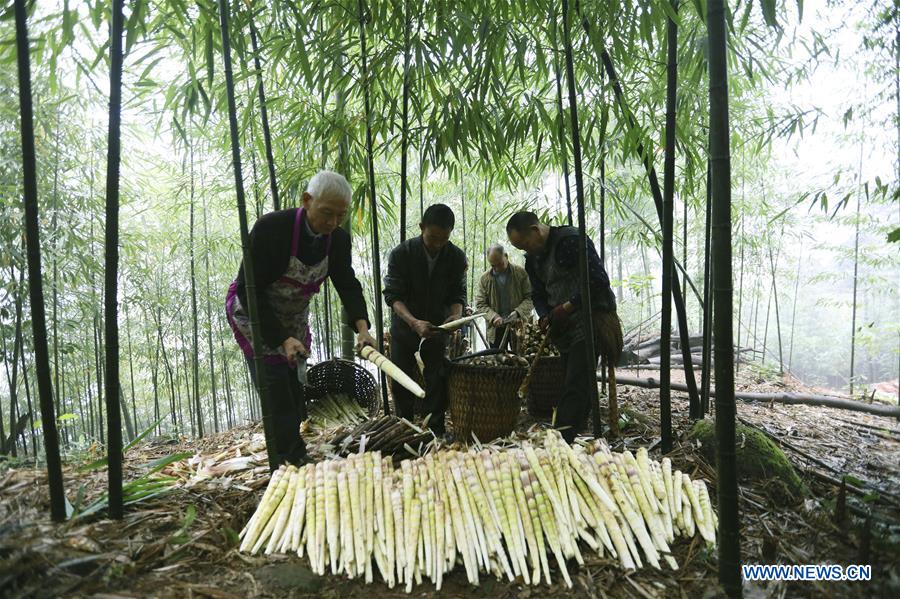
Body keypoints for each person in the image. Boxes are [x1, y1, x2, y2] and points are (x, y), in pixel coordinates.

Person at [225, 171, 376, 466]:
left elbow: (347, 283)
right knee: (275, 391)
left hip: (294, 317)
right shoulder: (272, 229)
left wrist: (363, 329)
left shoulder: (338, 240)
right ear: (307, 200)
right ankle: (288, 462)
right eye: (326, 213)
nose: (332, 222)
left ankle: (293, 447)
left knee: (295, 393)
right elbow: (248, 288)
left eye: (340, 215)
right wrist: (281, 338)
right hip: (255, 314)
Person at [506, 211, 622, 443]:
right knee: (576, 378)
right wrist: (546, 314)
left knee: (576, 380)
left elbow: (598, 280)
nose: (526, 251)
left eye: (525, 244)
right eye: (521, 249)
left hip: (591, 319)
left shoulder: (570, 241)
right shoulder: (533, 260)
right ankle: (576, 433)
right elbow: (538, 294)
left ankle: (560, 440)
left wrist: (567, 307)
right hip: (564, 327)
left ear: (535, 230)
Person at [383, 204, 467, 436]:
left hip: (436, 329)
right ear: (421, 228)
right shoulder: (402, 254)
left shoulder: (456, 257)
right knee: (401, 381)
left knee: (437, 380)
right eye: (432, 237)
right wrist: (413, 322)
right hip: (404, 328)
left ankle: (435, 431)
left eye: (443, 239)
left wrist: (456, 315)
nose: (437, 244)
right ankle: (405, 429)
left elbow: (458, 294)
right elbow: (393, 296)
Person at [476, 244, 533, 348]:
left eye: (500, 264)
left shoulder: (520, 273)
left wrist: (518, 312)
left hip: (518, 326)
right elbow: (480, 305)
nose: (497, 268)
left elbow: (530, 298)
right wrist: (493, 317)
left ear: (506, 256)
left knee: (520, 358)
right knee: (497, 359)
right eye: (493, 265)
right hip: (495, 329)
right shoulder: (485, 279)